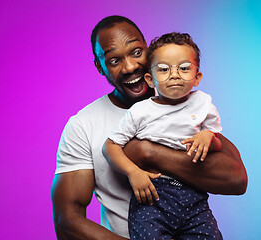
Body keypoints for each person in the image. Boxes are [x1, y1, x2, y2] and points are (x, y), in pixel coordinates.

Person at [51, 15, 247, 240]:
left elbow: (236, 179)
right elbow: (67, 221)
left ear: (149, 50)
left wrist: (149, 153)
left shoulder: (185, 102)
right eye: (114, 60)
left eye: (136, 52)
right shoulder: (83, 126)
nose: (130, 66)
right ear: (100, 67)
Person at [103, 32, 224, 239]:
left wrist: (208, 137)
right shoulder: (141, 111)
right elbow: (110, 146)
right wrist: (133, 172)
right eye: (164, 69)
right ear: (150, 79)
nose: (175, 75)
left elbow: (217, 144)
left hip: (194, 196)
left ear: (197, 77)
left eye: (184, 68)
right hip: (154, 195)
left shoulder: (203, 104)